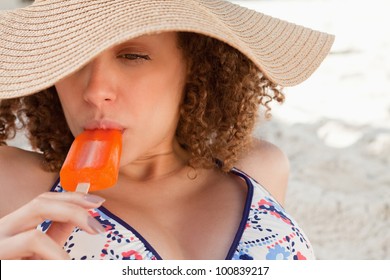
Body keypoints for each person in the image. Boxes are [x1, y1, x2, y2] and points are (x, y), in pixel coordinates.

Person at [0, 0, 334, 260]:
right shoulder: (15, 183)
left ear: (198, 66)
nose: (94, 90)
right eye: (71, 59)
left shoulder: (260, 169)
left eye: (132, 55)